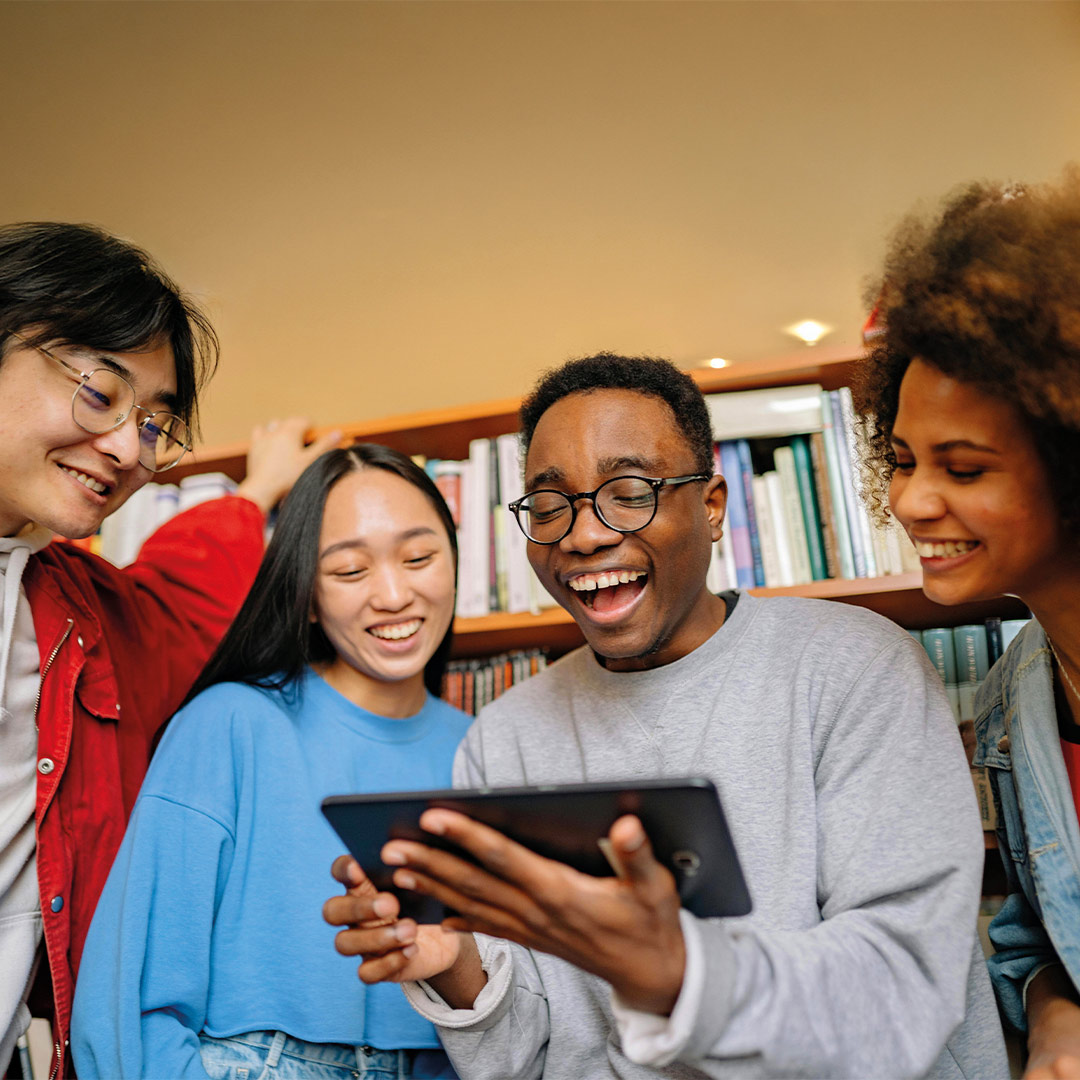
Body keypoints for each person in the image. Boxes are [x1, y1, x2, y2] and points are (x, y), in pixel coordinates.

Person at [324, 353, 1008, 1079]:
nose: (583, 536)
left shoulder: (857, 667)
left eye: (628, 492)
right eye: (550, 505)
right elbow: (530, 1057)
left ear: (712, 506)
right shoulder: (505, 737)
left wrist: (679, 972)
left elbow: (900, 989)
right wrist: (457, 964)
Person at [0, 220, 336, 1077]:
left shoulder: (75, 610)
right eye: (101, 393)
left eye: (155, 423)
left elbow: (174, 602)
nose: (127, 449)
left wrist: (257, 492)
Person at [71, 443, 470, 1079]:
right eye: (349, 571)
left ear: (455, 564)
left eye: (419, 557)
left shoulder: (485, 748)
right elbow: (131, 998)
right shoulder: (231, 721)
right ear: (307, 596)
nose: (394, 594)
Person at [855, 172, 1080, 1079]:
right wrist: (1054, 1010)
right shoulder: (1011, 697)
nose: (910, 499)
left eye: (966, 466)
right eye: (903, 460)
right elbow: (1035, 931)